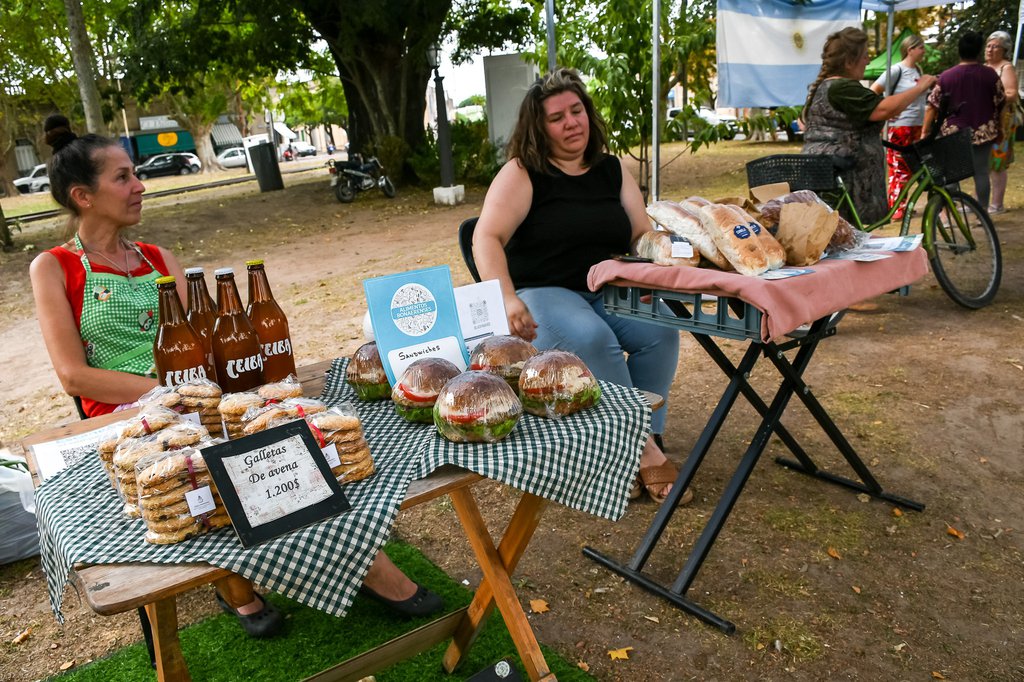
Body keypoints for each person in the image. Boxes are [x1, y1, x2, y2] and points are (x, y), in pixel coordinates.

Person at [29, 114, 441, 637]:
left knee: (285, 436)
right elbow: (74, 376)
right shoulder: (54, 266)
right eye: (123, 177)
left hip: (198, 396)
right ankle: (239, 580)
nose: (139, 186)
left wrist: (218, 391)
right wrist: (168, 394)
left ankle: (359, 557)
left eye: (136, 174)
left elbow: (204, 339)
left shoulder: (158, 257)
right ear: (83, 196)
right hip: (123, 415)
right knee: (197, 467)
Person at [472, 68, 687, 505]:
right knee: (592, 338)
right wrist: (507, 297)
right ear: (539, 127)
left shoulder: (612, 170)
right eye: (557, 117)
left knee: (661, 330)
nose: (572, 122)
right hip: (544, 291)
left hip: (608, 286)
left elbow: (639, 234)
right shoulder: (523, 172)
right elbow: (485, 236)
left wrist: (667, 249)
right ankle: (640, 451)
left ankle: (641, 443)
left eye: (577, 111)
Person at [802, 27, 936, 224]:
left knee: (845, 236)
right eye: (865, 56)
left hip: (832, 173)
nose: (868, 61)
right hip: (846, 175)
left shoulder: (829, 86)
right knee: (846, 237)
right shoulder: (841, 87)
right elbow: (883, 109)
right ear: (848, 62)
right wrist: (920, 87)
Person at [923, 31, 1005, 211]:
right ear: (978, 51)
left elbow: (932, 105)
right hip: (984, 131)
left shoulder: (946, 76)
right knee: (982, 173)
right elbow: (1000, 102)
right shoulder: (990, 75)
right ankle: (982, 213)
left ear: (959, 50)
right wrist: (1001, 129)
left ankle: (950, 212)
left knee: (952, 175)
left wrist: (925, 131)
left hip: (954, 132)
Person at [870, 34, 929, 220]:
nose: (924, 51)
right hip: (899, 126)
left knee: (909, 168)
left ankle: (902, 205)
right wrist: (886, 110)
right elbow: (874, 90)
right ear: (910, 49)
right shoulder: (896, 70)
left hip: (915, 125)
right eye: (921, 47)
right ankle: (896, 209)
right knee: (898, 168)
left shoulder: (918, 70)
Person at [985, 30, 1019, 214]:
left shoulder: (1005, 67)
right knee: (982, 161)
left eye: (995, 46)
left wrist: (989, 97)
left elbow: (1012, 94)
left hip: (1002, 121)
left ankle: (997, 204)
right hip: (984, 121)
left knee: (997, 161)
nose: (990, 49)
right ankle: (978, 200)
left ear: (1004, 50)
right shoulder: (983, 67)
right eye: (988, 45)